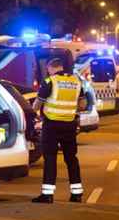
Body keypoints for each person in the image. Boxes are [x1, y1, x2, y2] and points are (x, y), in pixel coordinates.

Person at [32, 58, 87, 204]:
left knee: (50, 158)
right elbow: (83, 104)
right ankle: (77, 193)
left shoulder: (50, 81)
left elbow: (38, 102)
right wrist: (70, 110)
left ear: (51, 68)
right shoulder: (76, 81)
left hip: (52, 125)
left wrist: (33, 114)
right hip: (69, 124)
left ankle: (47, 195)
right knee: (71, 159)